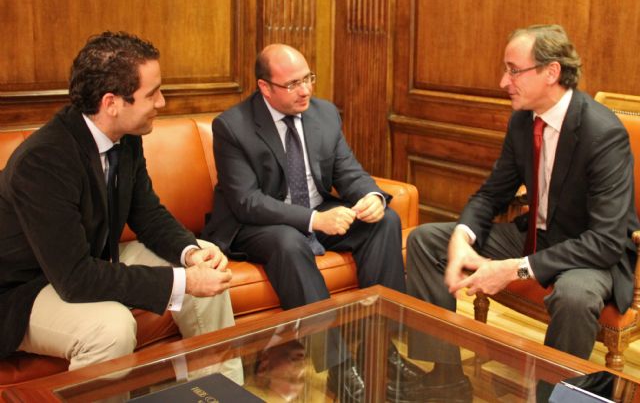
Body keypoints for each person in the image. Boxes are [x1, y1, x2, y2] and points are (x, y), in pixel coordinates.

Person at [404, 24, 639, 399]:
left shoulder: (601, 131)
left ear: (552, 72)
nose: (503, 81)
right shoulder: (522, 120)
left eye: (514, 70)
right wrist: (463, 239)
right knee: (426, 240)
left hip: (590, 254)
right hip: (536, 234)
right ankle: (446, 376)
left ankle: (555, 397)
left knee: (575, 297)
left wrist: (513, 268)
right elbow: (492, 194)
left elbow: (606, 240)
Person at [0, 31, 242, 384]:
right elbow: (75, 279)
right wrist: (184, 281)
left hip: (89, 259)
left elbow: (147, 214)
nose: (162, 102)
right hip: (23, 290)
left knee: (206, 254)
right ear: (111, 102)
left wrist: (189, 255)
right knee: (111, 328)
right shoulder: (44, 160)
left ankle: (221, 391)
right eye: (152, 93)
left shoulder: (126, 137)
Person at [201, 43, 422, 401]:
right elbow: (247, 201)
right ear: (264, 87)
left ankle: (379, 351)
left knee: (386, 222)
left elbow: (347, 171)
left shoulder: (323, 114)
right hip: (258, 225)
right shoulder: (233, 126)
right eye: (292, 84)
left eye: (308, 79)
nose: (305, 90)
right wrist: (315, 220)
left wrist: (371, 197)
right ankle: (339, 367)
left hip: (318, 212)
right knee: (288, 241)